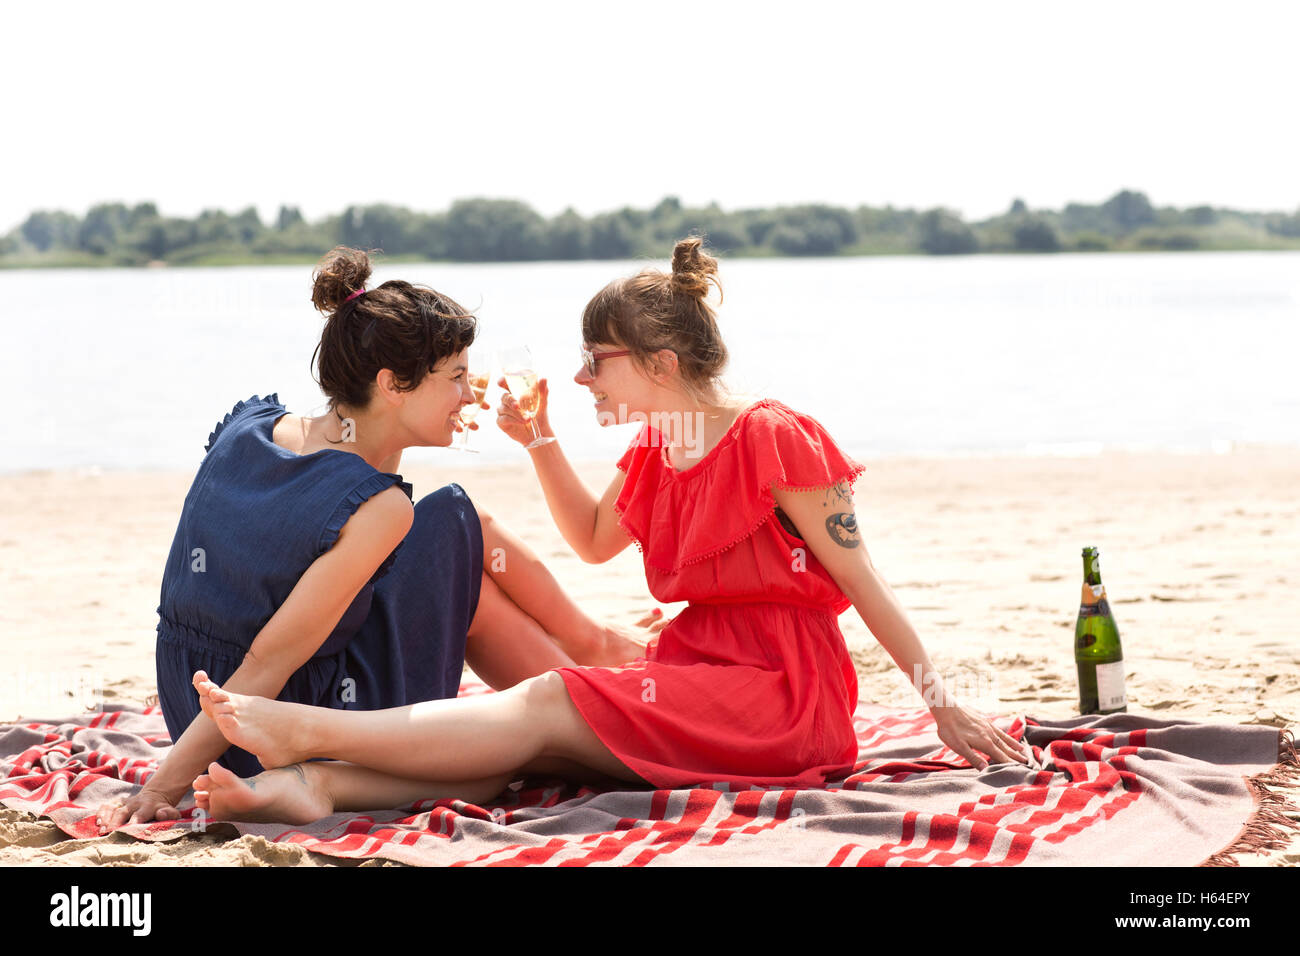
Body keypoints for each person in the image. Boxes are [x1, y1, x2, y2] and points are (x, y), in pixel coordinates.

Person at [179, 237, 1028, 826]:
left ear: (659, 365)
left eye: (597, 359)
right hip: (695, 669)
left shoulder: (775, 435)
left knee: (547, 702)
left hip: (782, 696)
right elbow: (590, 538)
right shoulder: (661, 444)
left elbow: (864, 582)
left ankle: (308, 733)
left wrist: (942, 705)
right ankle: (319, 787)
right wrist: (540, 440)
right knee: (518, 694)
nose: (581, 375)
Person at [95, 247, 653, 833]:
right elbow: (269, 659)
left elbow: (335, 491)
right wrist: (161, 785)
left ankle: (593, 683)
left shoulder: (252, 427)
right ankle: (598, 710)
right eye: (456, 377)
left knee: (456, 538)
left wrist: (422, 418)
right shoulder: (378, 507)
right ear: (392, 385)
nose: (469, 395)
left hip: (193, 702)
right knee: (485, 763)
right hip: (255, 720)